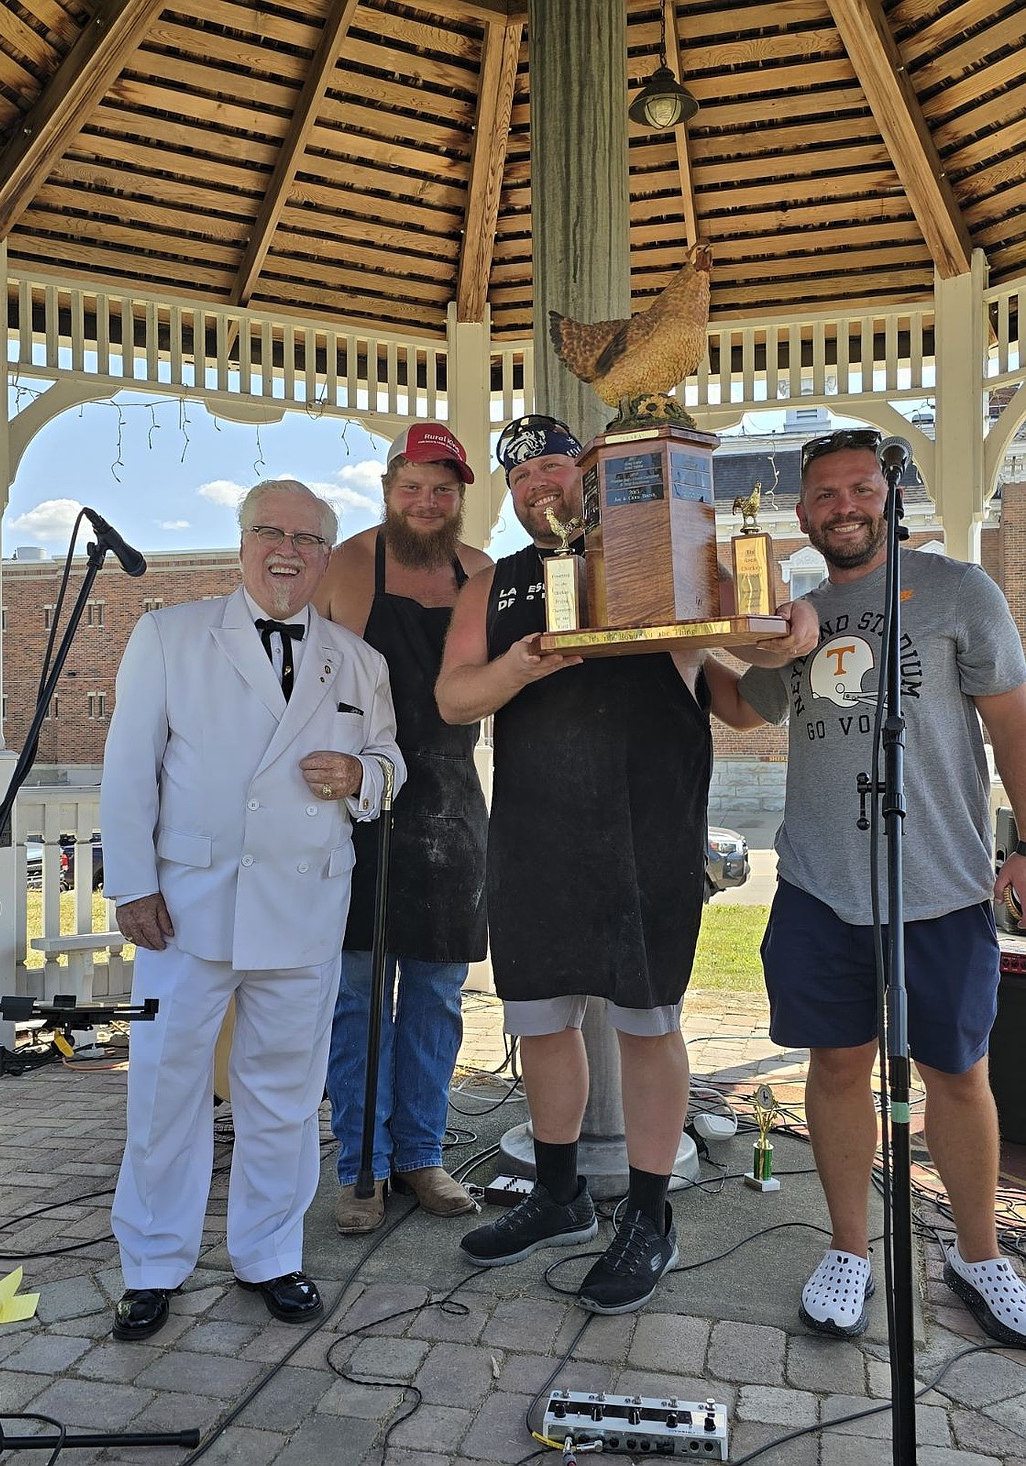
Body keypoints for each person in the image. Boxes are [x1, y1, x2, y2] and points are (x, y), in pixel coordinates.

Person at [435, 414, 814, 1315]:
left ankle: (649, 1214)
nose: (539, 488)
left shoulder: (664, 559)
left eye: (554, 470)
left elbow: (739, 689)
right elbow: (454, 698)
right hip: (535, 832)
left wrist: (783, 633)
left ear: (593, 474)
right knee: (541, 1019)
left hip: (649, 829)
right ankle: (559, 1194)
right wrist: (526, 665)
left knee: (649, 1023)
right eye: (520, 479)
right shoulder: (496, 586)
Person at [732, 427, 1026, 1345]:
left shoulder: (958, 591)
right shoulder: (799, 612)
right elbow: (738, 704)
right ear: (805, 512)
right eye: (823, 495)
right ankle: (850, 1248)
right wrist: (693, 635)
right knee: (837, 1067)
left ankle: (979, 1256)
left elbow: (1013, 722)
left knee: (959, 1072)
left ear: (890, 496)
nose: (843, 507)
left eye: (859, 488)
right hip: (822, 884)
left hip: (937, 880)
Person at [101, 479, 405, 1342]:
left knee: (284, 1095)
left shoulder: (358, 659)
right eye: (270, 531)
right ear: (241, 544)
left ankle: (269, 1255)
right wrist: (132, 884)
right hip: (187, 908)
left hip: (302, 905)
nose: (288, 550)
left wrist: (361, 779)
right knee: (165, 1089)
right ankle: (153, 1264)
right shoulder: (171, 635)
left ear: (325, 555)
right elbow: (129, 769)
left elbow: (389, 762)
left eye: (308, 538)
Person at [315, 423, 491, 1234]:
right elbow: (319, 692)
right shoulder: (349, 566)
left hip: (454, 799)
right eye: (412, 487)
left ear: (461, 498)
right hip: (357, 805)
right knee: (356, 995)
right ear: (388, 490)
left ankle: (421, 1154)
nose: (427, 502)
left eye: (443, 489)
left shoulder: (483, 574)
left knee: (436, 993)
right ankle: (361, 1166)